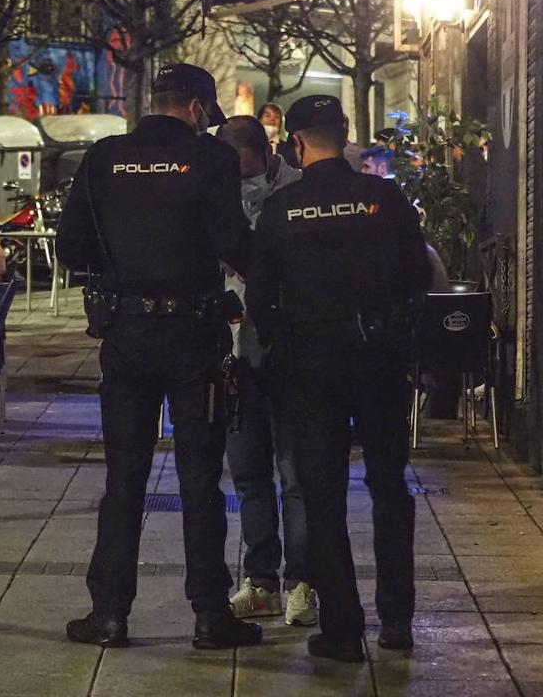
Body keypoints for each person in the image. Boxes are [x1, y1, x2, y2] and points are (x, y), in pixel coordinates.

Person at [56, 63, 258, 651]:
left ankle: (110, 614)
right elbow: (232, 243)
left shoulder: (102, 158)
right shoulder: (213, 159)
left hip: (127, 334)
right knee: (200, 477)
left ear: (157, 101)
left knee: (124, 478)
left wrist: (118, 273)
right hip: (195, 337)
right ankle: (209, 615)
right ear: (197, 107)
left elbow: (72, 246)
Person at [248, 94, 432, 662]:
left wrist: (288, 342)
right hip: (378, 360)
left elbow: (260, 295)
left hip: (310, 366)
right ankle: (396, 621)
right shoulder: (384, 197)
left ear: (296, 144)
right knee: (388, 487)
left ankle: (343, 629)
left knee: (323, 496)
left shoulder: (284, 209)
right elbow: (417, 273)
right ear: (346, 133)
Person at [215, 117, 316, 627]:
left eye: (241, 166)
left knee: (296, 474)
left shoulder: (299, 193)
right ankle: (260, 582)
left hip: (288, 350)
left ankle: (303, 582)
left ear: (265, 152)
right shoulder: (216, 195)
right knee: (250, 473)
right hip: (234, 352)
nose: (235, 178)